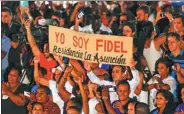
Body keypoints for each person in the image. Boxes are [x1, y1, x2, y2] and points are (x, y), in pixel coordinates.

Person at [23, 7, 57, 80]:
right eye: (44, 48)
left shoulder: (57, 61)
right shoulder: (42, 59)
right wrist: (28, 29)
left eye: (47, 48)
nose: (45, 50)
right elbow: (33, 46)